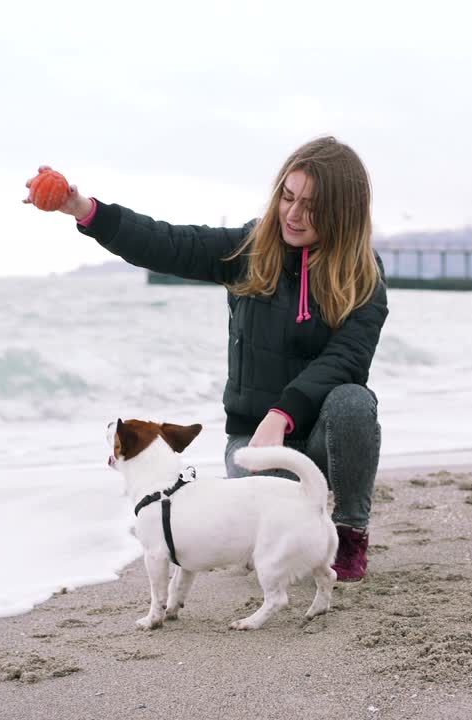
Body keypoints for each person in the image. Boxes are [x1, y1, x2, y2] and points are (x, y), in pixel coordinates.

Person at [23, 136, 388, 581]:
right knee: (271, 538)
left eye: (310, 206)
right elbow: (168, 243)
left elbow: (347, 358)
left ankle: (350, 532)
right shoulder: (250, 249)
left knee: (353, 401)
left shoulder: (363, 274)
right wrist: (87, 211)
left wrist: (283, 414)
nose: (293, 215)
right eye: (287, 198)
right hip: (253, 447)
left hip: (320, 441)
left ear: (342, 213)